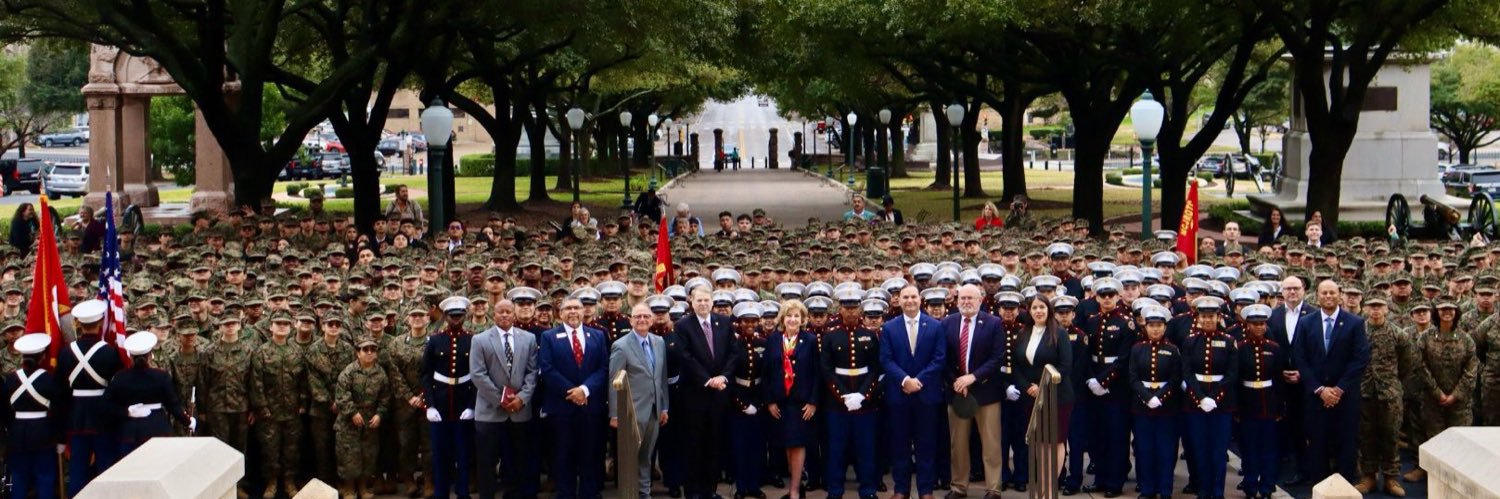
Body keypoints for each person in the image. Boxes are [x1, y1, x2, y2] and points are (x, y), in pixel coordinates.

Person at [1292, 280, 1369, 484]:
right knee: (1317, 445)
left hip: (1345, 397)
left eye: (1332, 293)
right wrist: (1319, 389)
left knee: (1346, 445)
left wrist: (1339, 389)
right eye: (1324, 293)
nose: (1328, 296)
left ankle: (1344, 488)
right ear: (1317, 296)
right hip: (1316, 397)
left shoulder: (1354, 322)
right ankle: (1320, 488)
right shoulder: (1306, 322)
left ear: (1339, 295)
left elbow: (1360, 358)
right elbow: (1300, 358)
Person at [670, 288, 738, 499]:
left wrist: (724, 376)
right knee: (694, 445)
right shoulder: (683, 325)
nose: (703, 303)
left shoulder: (724, 322)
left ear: (712, 301)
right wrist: (707, 380)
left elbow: (733, 352)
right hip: (694, 396)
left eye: (706, 300)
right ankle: (693, 491)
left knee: (714, 444)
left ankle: (710, 490)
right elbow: (685, 356)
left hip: (719, 395)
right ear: (691, 301)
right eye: (698, 300)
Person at [538, 298, 609, 499]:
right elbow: (547, 369)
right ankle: (565, 492)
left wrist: (585, 390)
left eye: (577, 308)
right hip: (561, 407)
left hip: (591, 405)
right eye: (568, 308)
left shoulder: (597, 335)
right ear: (560, 314)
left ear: (583, 311)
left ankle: (589, 492)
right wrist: (573, 391)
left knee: (591, 452)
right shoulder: (549, 336)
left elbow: (604, 368)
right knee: (563, 453)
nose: (573, 312)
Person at [880, 286, 944, 499]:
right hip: (899, 395)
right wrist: (905, 380)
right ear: (898, 301)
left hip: (926, 395)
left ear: (920, 299)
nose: (909, 300)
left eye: (913, 296)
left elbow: (939, 358)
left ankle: (926, 490)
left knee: (926, 445)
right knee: (900, 445)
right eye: (905, 297)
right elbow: (886, 360)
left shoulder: (935, 326)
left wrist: (919, 381)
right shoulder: (889, 327)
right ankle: (901, 490)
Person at [942, 284, 1006, 499]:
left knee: (991, 444)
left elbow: (997, 358)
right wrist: (957, 381)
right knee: (957, 445)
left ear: (980, 300)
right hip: (958, 392)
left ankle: (993, 488)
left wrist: (973, 377)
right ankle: (959, 487)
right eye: (962, 298)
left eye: (971, 298)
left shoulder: (994, 323)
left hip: (986, 393)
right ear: (957, 300)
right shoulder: (947, 322)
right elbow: (943, 358)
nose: (966, 301)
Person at [472, 299, 540, 499]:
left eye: (508, 311)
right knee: (486, 461)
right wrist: (500, 399)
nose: (504, 315)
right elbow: (477, 374)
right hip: (489, 412)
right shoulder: (480, 339)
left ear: (514, 314)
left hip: (519, 412)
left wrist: (522, 398)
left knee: (517, 461)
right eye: (500, 311)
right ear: (494, 314)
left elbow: (532, 372)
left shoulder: (528, 339)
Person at [1405, 298, 1478, 483]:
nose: (1447, 312)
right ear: (1436, 312)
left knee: (1459, 440)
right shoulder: (1426, 337)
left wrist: (1456, 395)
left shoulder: (1466, 339)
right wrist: (1438, 393)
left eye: (1451, 309)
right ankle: (1433, 477)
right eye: (1442, 309)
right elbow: (1420, 366)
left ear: (1456, 312)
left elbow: (1471, 369)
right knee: (1434, 440)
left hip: (1459, 402)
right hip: (1432, 399)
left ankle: (1457, 481)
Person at [57, 299, 124, 496]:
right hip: (103, 413)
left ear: (79, 323)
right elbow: (117, 384)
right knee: (105, 465)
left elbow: (62, 386)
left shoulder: (66, 352)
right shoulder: (110, 352)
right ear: (102, 321)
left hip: (77, 414)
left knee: (77, 467)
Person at [1008, 296, 1073, 498]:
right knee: (1038, 441)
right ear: (1029, 311)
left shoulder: (1059, 333)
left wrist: (1042, 386)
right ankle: (1041, 486)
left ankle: (1049, 487)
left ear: (1049, 309)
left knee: (1055, 440)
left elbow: (1065, 366)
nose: (1038, 311)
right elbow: (1016, 365)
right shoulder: (1023, 333)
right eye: (1034, 307)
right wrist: (1027, 386)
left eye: (1042, 307)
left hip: (1057, 396)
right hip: (1031, 396)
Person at [821, 289, 882, 499]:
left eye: (854, 307)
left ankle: (868, 490)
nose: (850, 312)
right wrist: (844, 396)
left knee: (866, 449)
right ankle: (835, 490)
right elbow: (827, 371)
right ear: (840, 309)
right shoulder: (830, 336)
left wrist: (862, 395)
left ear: (860, 309)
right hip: (837, 405)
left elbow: (875, 369)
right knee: (836, 449)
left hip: (865, 404)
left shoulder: (870, 335)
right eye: (847, 308)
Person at [608, 303, 670, 499]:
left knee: (646, 457)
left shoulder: (659, 342)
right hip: (630, 411)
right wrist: (615, 413)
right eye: (638, 316)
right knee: (629, 460)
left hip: (654, 410)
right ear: (631, 320)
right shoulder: (621, 345)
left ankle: (644, 494)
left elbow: (661, 378)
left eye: (646, 316)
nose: (642, 320)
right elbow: (615, 381)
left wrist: (664, 406)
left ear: (651, 320)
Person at [1179, 296, 1237, 499]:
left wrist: (1215, 397)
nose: (1207, 320)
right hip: (1196, 404)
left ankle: (1217, 491)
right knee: (1200, 450)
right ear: (1198, 318)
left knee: (1218, 451)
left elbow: (1232, 373)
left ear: (1219, 317)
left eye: (1211, 316)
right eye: (1203, 316)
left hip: (1222, 404)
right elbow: (1186, 373)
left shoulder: (1229, 342)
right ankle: (1203, 491)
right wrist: (1201, 398)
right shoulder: (1190, 341)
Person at [1353, 297, 1411, 497]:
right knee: (1366, 435)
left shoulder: (1398, 334)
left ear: (1386, 309)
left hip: (1390, 394)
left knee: (1390, 435)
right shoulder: (1358, 331)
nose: (1376, 310)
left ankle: (1390, 477)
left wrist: (1391, 382)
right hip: (1364, 391)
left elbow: (1407, 363)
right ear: (1366, 308)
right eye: (1372, 306)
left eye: (1380, 306)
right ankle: (1368, 476)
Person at [763, 300, 820, 499]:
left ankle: (794, 490)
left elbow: (816, 373)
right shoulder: (773, 340)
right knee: (786, 444)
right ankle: (796, 486)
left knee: (797, 444)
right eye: (789, 315)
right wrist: (769, 401)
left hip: (801, 404)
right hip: (780, 403)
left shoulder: (810, 340)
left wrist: (813, 401)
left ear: (803, 319)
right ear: (782, 319)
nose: (793, 319)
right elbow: (767, 373)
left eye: (797, 316)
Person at [424, 296, 478, 499]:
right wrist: (429, 405)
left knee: (464, 454)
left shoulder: (473, 340)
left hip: (463, 402)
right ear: (445, 316)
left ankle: (463, 493)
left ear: (465, 316)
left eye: (460, 315)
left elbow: (477, 375)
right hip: (440, 404)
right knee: (440, 455)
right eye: (452, 316)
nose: (456, 319)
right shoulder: (435, 340)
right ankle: (441, 494)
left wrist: (472, 405)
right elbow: (426, 374)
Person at [249, 311, 308, 497]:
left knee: (292, 449)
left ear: (291, 328)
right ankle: (272, 483)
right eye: (278, 323)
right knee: (270, 449)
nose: (282, 326)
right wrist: (262, 407)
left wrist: (303, 402)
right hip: (269, 412)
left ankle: (289, 482)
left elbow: (304, 381)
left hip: (292, 411)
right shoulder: (262, 352)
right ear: (270, 326)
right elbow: (256, 383)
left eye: (285, 323)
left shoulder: (297, 351)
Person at [1129, 304, 1183, 499]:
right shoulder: (1137, 349)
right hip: (1142, 406)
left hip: (1166, 407)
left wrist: (1159, 397)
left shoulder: (1173, 349)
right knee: (1144, 448)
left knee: (1166, 449)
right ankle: (1147, 488)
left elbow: (1176, 379)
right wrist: (1147, 396)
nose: (1155, 329)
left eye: (1159, 325)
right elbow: (1133, 377)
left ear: (1165, 327)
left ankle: (1165, 488)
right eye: (1151, 325)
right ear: (1145, 327)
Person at [108, 331, 193, 454]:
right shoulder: (160, 376)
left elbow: (107, 404)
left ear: (130, 357)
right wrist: (188, 421)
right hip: (156, 428)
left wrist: (126, 411)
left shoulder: (120, 377)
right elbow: (173, 405)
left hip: (129, 431)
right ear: (150, 355)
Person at [1235, 304, 1285, 499]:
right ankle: (1250, 484)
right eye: (1255, 324)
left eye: (1262, 324)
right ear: (1247, 325)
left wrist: (1281, 406)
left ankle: (1267, 486)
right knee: (1249, 448)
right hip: (1247, 403)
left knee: (1269, 447)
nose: (1259, 327)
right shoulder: (1239, 347)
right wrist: (1237, 408)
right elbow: (1236, 380)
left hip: (1269, 403)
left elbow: (1279, 380)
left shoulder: (1273, 348)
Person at [1269, 276, 1314, 485]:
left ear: (1304, 290)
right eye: (1288, 289)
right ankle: (1276, 468)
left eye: (1296, 288)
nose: (1292, 292)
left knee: (1303, 427)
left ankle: (1303, 469)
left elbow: (1318, 352)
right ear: (1282, 292)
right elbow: (1271, 348)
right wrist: (1280, 372)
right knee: (1279, 425)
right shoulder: (1273, 315)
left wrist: (1302, 373)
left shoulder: (1314, 314)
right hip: (1280, 380)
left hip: (1305, 381)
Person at [4, 334, 61, 499]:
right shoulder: (49, 379)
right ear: (43, 356)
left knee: (19, 477)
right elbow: (58, 409)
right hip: (43, 431)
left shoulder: (10, 379)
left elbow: (4, 410)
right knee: (45, 476)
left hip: (17, 432)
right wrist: (58, 435)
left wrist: (12, 426)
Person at [335, 337, 391, 499]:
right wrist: (352, 412)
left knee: (368, 456)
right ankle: (348, 489)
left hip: (370, 422)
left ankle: (363, 488)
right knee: (349, 457)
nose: (369, 353)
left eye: (373, 350)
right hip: (349, 423)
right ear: (357, 353)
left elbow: (385, 397)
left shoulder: (380, 373)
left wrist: (380, 414)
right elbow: (342, 395)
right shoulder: (349, 372)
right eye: (365, 350)